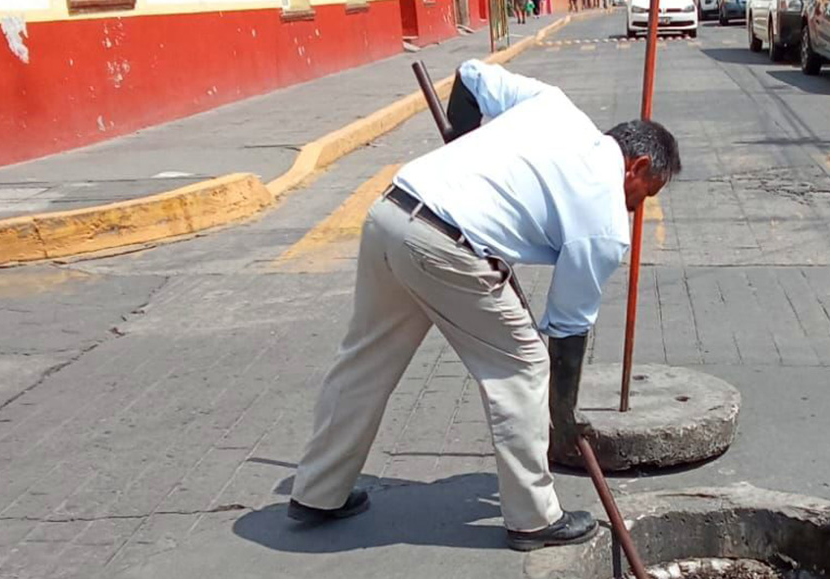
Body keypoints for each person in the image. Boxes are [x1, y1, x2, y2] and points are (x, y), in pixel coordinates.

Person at [286, 59, 681, 552]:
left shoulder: (554, 106)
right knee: (523, 366)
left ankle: (318, 490)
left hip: (392, 210)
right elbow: (565, 329)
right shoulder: (605, 220)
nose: (637, 208)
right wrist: (561, 414)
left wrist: (461, 141)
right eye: (644, 195)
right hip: (444, 243)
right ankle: (534, 517)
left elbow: (470, 76)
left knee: (366, 358)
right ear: (637, 166)